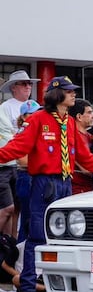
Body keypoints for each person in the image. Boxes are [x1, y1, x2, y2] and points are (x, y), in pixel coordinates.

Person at [0, 76, 93, 292]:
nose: (74, 94)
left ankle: (57, 285)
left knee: (64, 237)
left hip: (66, 182)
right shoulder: (39, 119)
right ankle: (27, 288)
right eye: (69, 91)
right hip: (45, 184)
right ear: (57, 94)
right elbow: (18, 147)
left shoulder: (70, 123)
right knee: (37, 236)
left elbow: (83, 157)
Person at [12, 100, 40, 243]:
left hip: (35, 177)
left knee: (35, 219)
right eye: (32, 113)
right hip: (26, 177)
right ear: (23, 117)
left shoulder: (36, 132)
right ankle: (21, 260)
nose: (37, 115)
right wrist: (44, 164)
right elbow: (22, 161)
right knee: (28, 220)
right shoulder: (22, 133)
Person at [67, 98, 93, 195]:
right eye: (89, 113)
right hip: (76, 189)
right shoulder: (71, 137)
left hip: (91, 188)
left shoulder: (91, 137)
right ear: (79, 116)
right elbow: (86, 169)